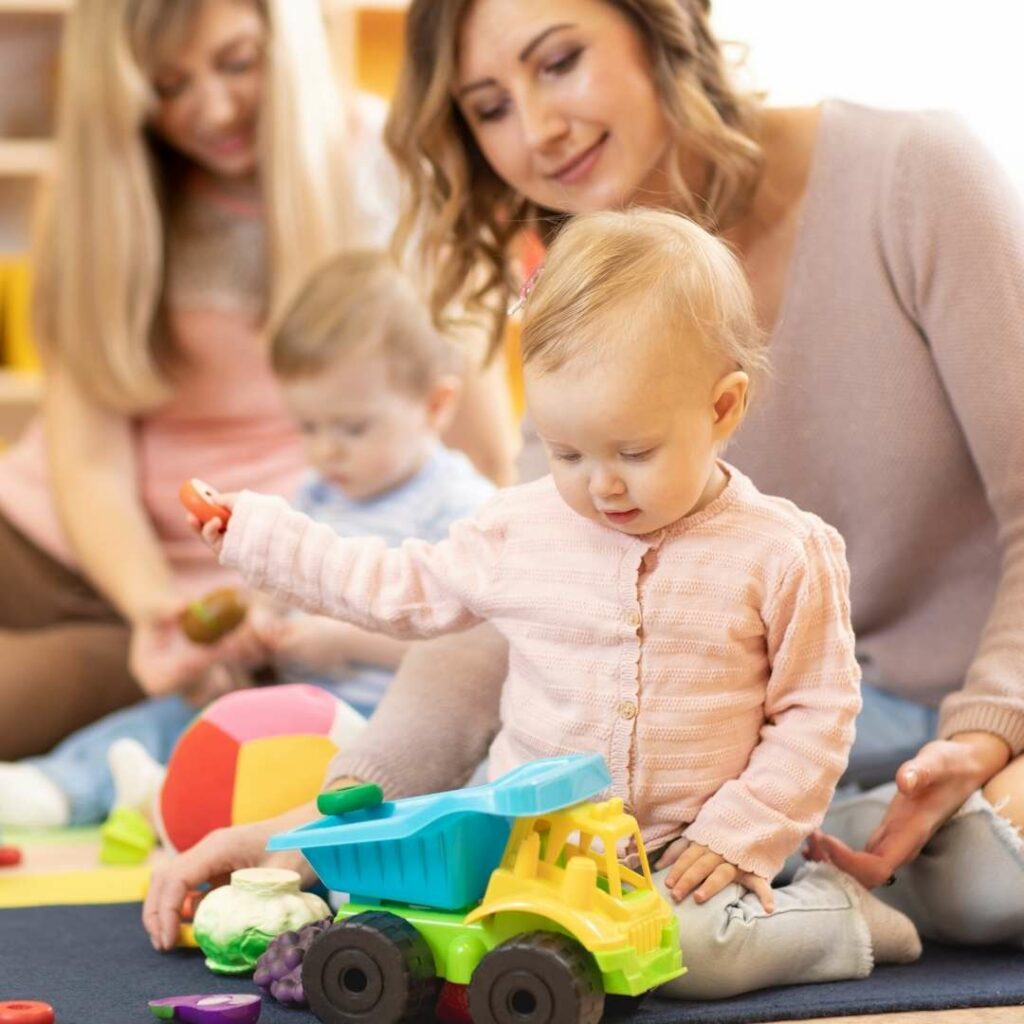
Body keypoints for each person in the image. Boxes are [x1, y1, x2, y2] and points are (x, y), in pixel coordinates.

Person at [144, 0, 1024, 975]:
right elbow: (501, 616)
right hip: (720, 782)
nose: (536, 130)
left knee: (992, 880)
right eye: (488, 107)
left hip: (958, 721)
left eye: (558, 62)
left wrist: (991, 730)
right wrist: (320, 828)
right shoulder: (587, 318)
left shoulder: (911, 175)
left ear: (659, 27)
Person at [189, 210, 929, 993]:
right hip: (530, 849)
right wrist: (258, 535)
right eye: (564, 451)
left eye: (634, 452)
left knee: (686, 955)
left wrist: (742, 832)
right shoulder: (520, 528)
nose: (600, 484)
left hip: (692, 855)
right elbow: (395, 587)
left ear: (723, 408)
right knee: (389, 908)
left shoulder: (783, 551)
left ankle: (837, 915)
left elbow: (817, 712)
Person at [0, 0, 518, 762]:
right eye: (167, 86)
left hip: (232, 604)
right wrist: (148, 602)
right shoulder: (105, 193)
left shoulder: (386, 165)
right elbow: (87, 461)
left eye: (237, 62)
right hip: (62, 549)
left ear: (286, 42)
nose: (209, 109)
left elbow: (476, 444)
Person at [0, 250, 497, 828]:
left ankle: (167, 798)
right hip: (288, 697)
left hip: (387, 718)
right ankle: (62, 784)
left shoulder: (460, 506)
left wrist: (344, 644)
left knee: (321, 780)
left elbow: (471, 647)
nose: (326, 449)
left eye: (352, 428)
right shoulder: (317, 493)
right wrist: (259, 624)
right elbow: (276, 586)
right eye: (307, 427)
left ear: (435, 406)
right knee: (176, 717)